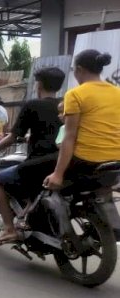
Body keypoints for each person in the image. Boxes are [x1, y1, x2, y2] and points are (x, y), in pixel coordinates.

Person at [0, 67, 65, 245]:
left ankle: (10, 229)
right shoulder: (65, 103)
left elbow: (12, 137)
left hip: (39, 163)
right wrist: (30, 138)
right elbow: (55, 131)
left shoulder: (32, 105)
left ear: (38, 84)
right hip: (63, 161)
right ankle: (28, 215)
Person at [44, 50, 120, 194]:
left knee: (36, 170)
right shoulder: (118, 92)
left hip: (86, 161)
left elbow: (69, 136)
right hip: (117, 160)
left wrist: (58, 174)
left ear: (78, 69)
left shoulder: (75, 94)